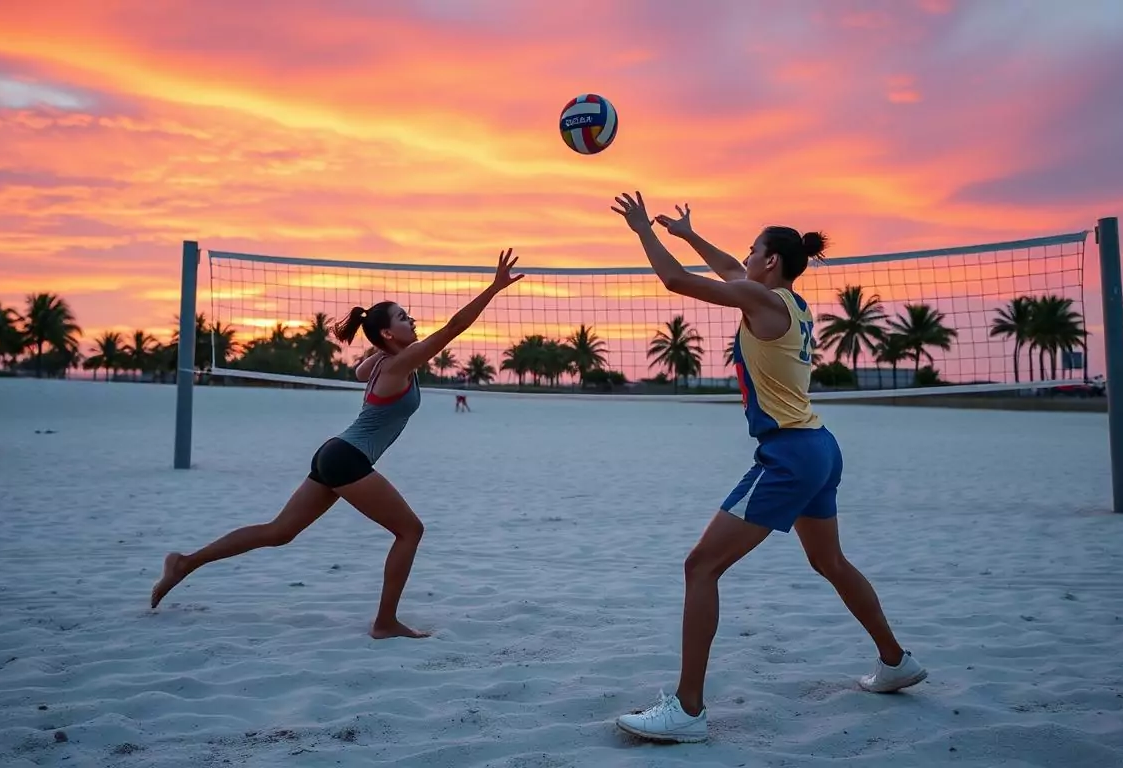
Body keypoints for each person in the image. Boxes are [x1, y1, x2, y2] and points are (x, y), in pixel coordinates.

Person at [608, 194, 926, 743]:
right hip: (820, 446)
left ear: (771, 262)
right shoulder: (791, 303)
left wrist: (643, 230)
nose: (745, 257)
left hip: (789, 456)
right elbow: (730, 270)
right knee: (829, 561)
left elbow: (677, 282)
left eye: (754, 250)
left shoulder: (761, 299)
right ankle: (895, 661)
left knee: (700, 567)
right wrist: (688, 233)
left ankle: (687, 710)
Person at [149, 249, 526, 639]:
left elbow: (360, 367)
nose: (412, 320)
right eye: (402, 317)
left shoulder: (380, 362)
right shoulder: (396, 365)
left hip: (335, 452)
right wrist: (493, 289)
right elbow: (453, 328)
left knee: (279, 532)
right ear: (387, 334)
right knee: (410, 531)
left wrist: (381, 336)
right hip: (348, 458)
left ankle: (184, 563)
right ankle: (385, 623)